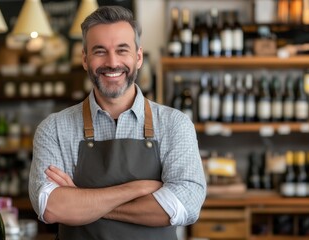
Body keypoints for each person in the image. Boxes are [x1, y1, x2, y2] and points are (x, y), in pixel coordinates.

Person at [29, 5, 206, 239]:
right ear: (85, 59)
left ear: (138, 57)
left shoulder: (175, 125)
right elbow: (51, 207)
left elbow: (185, 205)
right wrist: (139, 189)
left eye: (122, 50)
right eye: (100, 51)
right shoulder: (54, 129)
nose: (112, 62)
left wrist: (82, 200)